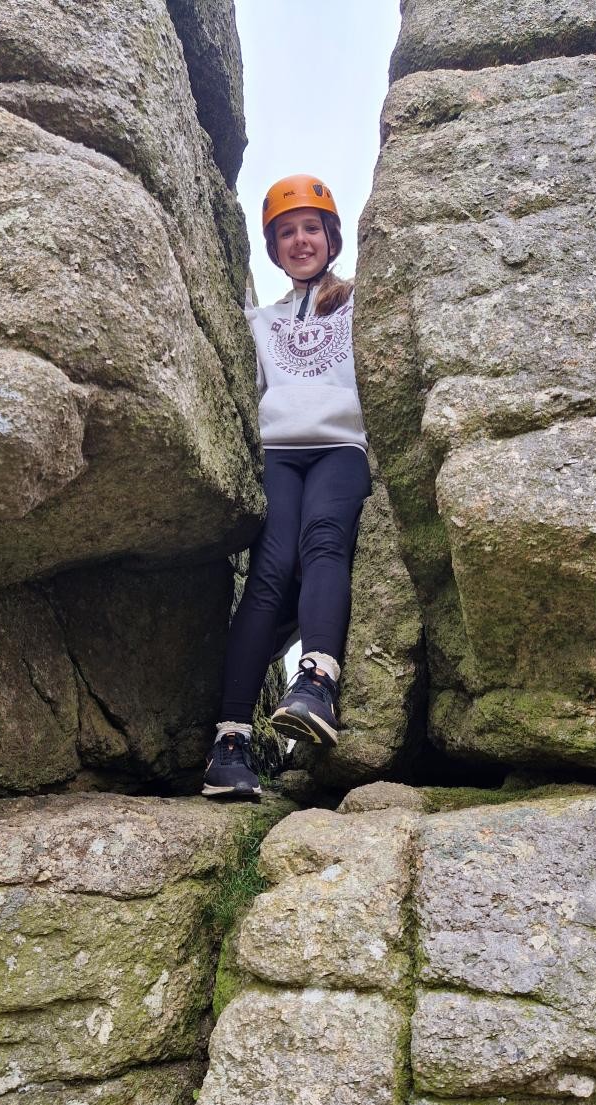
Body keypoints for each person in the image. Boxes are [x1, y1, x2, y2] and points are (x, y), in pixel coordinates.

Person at [203, 174, 371, 798]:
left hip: (339, 449)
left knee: (324, 543)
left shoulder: (360, 303)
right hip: (278, 452)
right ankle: (230, 742)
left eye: (310, 229)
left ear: (331, 237)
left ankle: (317, 681)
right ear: (273, 250)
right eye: (286, 233)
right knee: (269, 576)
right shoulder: (260, 320)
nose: (300, 241)